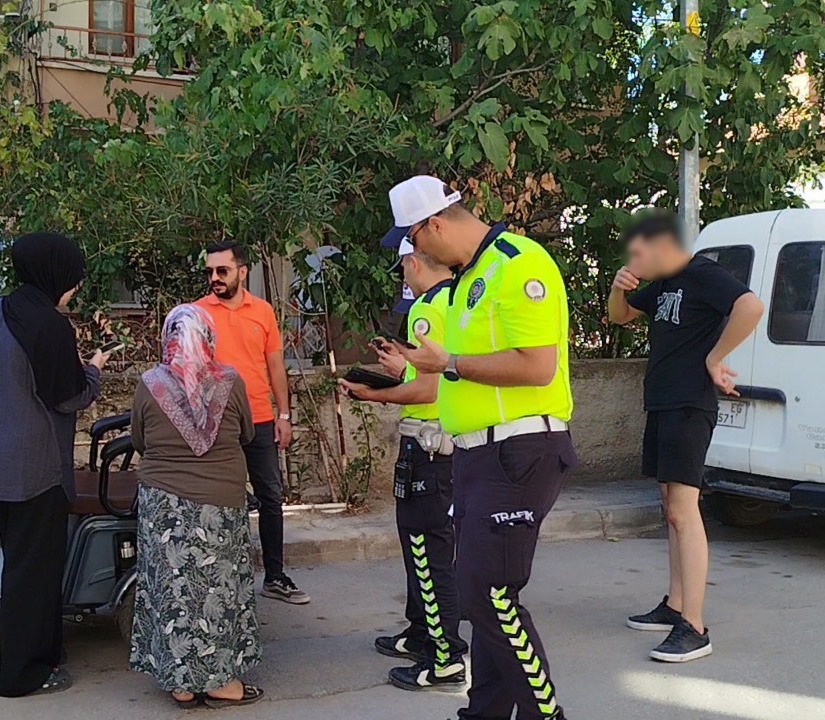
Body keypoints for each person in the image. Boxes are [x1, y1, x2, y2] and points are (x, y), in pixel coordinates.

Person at [383, 175, 577, 720]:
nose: (416, 253)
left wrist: (448, 363)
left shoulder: (518, 263)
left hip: (519, 449)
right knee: (482, 598)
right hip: (475, 456)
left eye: (413, 240)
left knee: (488, 594)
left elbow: (537, 367)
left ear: (433, 225)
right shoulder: (471, 277)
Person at [607, 211, 764, 663]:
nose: (634, 261)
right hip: (663, 404)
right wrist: (619, 287)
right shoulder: (663, 283)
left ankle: (694, 627)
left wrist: (715, 357)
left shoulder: (702, 272)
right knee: (671, 508)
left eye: (639, 253)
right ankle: (675, 605)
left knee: (683, 510)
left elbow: (751, 306)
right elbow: (620, 317)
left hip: (690, 405)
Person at [0, 231, 111, 697]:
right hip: (37, 470)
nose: (75, 288)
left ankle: (47, 656)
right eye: (72, 279)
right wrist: (94, 367)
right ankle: (20, 675)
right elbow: (71, 396)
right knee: (32, 574)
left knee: (26, 566)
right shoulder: (50, 326)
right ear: (53, 274)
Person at [338, 238, 468, 692]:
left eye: (402, 269)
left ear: (412, 263)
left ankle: (445, 655)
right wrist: (402, 368)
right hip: (447, 445)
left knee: (427, 550)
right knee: (429, 546)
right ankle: (420, 633)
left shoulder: (428, 308)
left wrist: (373, 393)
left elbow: (430, 390)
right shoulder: (460, 299)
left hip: (428, 447)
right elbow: (441, 375)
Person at [129, 304, 264, 709]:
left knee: (173, 592)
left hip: (163, 505)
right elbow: (247, 433)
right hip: (220, 504)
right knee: (218, 591)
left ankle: (182, 685)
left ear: (167, 338)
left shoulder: (149, 384)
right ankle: (222, 682)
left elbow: (139, 440)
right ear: (209, 339)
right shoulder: (231, 382)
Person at [195, 241, 309, 605]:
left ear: (242, 272)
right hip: (218, 424)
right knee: (219, 500)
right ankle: (220, 577)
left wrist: (284, 416)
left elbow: (275, 366)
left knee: (271, 497)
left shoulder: (262, 311)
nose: (215, 278)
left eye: (222, 271)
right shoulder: (197, 313)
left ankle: (274, 576)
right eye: (210, 272)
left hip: (260, 418)